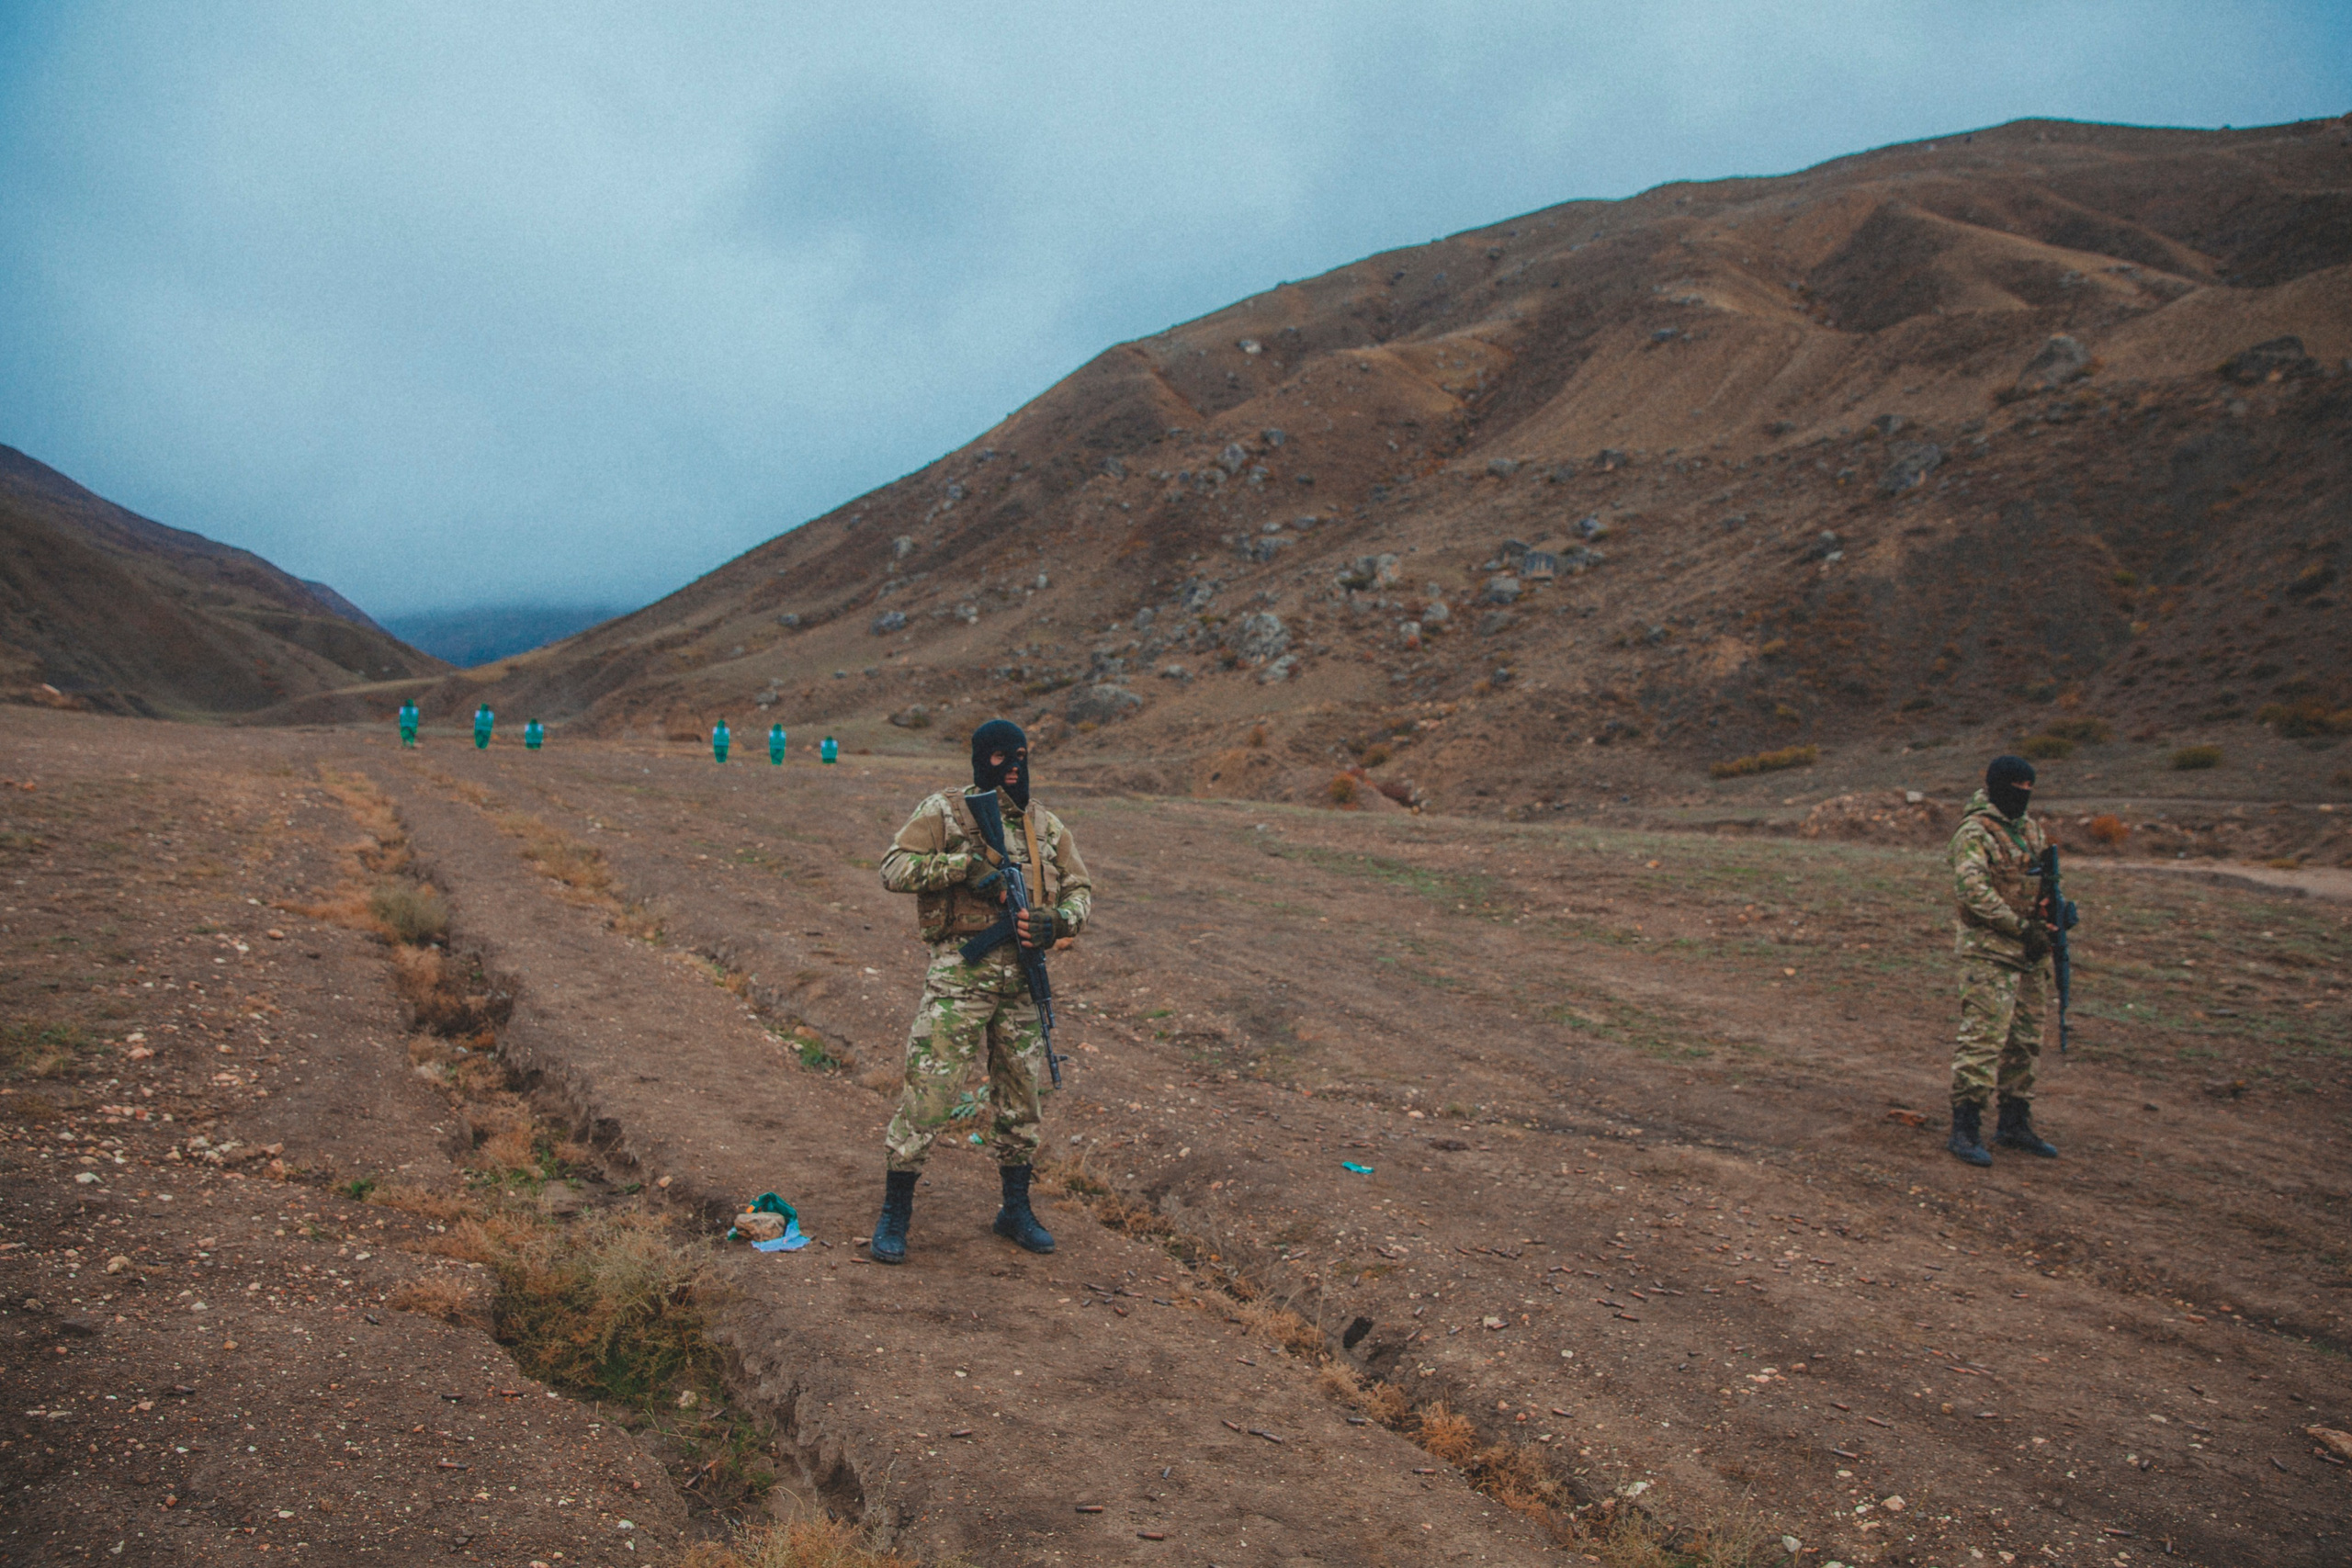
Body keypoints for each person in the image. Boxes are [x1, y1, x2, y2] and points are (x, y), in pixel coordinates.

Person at [867, 719, 1093, 1265]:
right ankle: (896, 1212)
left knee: (1021, 1100)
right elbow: (893, 868)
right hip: (959, 981)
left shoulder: (1047, 825)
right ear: (979, 759)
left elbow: (1080, 889)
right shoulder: (945, 812)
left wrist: (1059, 921)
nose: (1013, 767)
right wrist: (961, 867)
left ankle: (1015, 1209)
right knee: (930, 1095)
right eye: (1000, 758)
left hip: (1022, 984)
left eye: (1021, 756)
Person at [1945, 754, 2062, 1166]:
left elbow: (2045, 881)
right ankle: (1965, 1126)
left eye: (2029, 790)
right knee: (1983, 1039)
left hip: (2029, 953)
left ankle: (2014, 1121)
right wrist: (2020, 927)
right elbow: (1973, 892)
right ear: (1997, 787)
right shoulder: (1974, 832)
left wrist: (2053, 915)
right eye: (2017, 789)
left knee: (2025, 1041)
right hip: (1990, 952)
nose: (2023, 796)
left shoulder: (2029, 830)